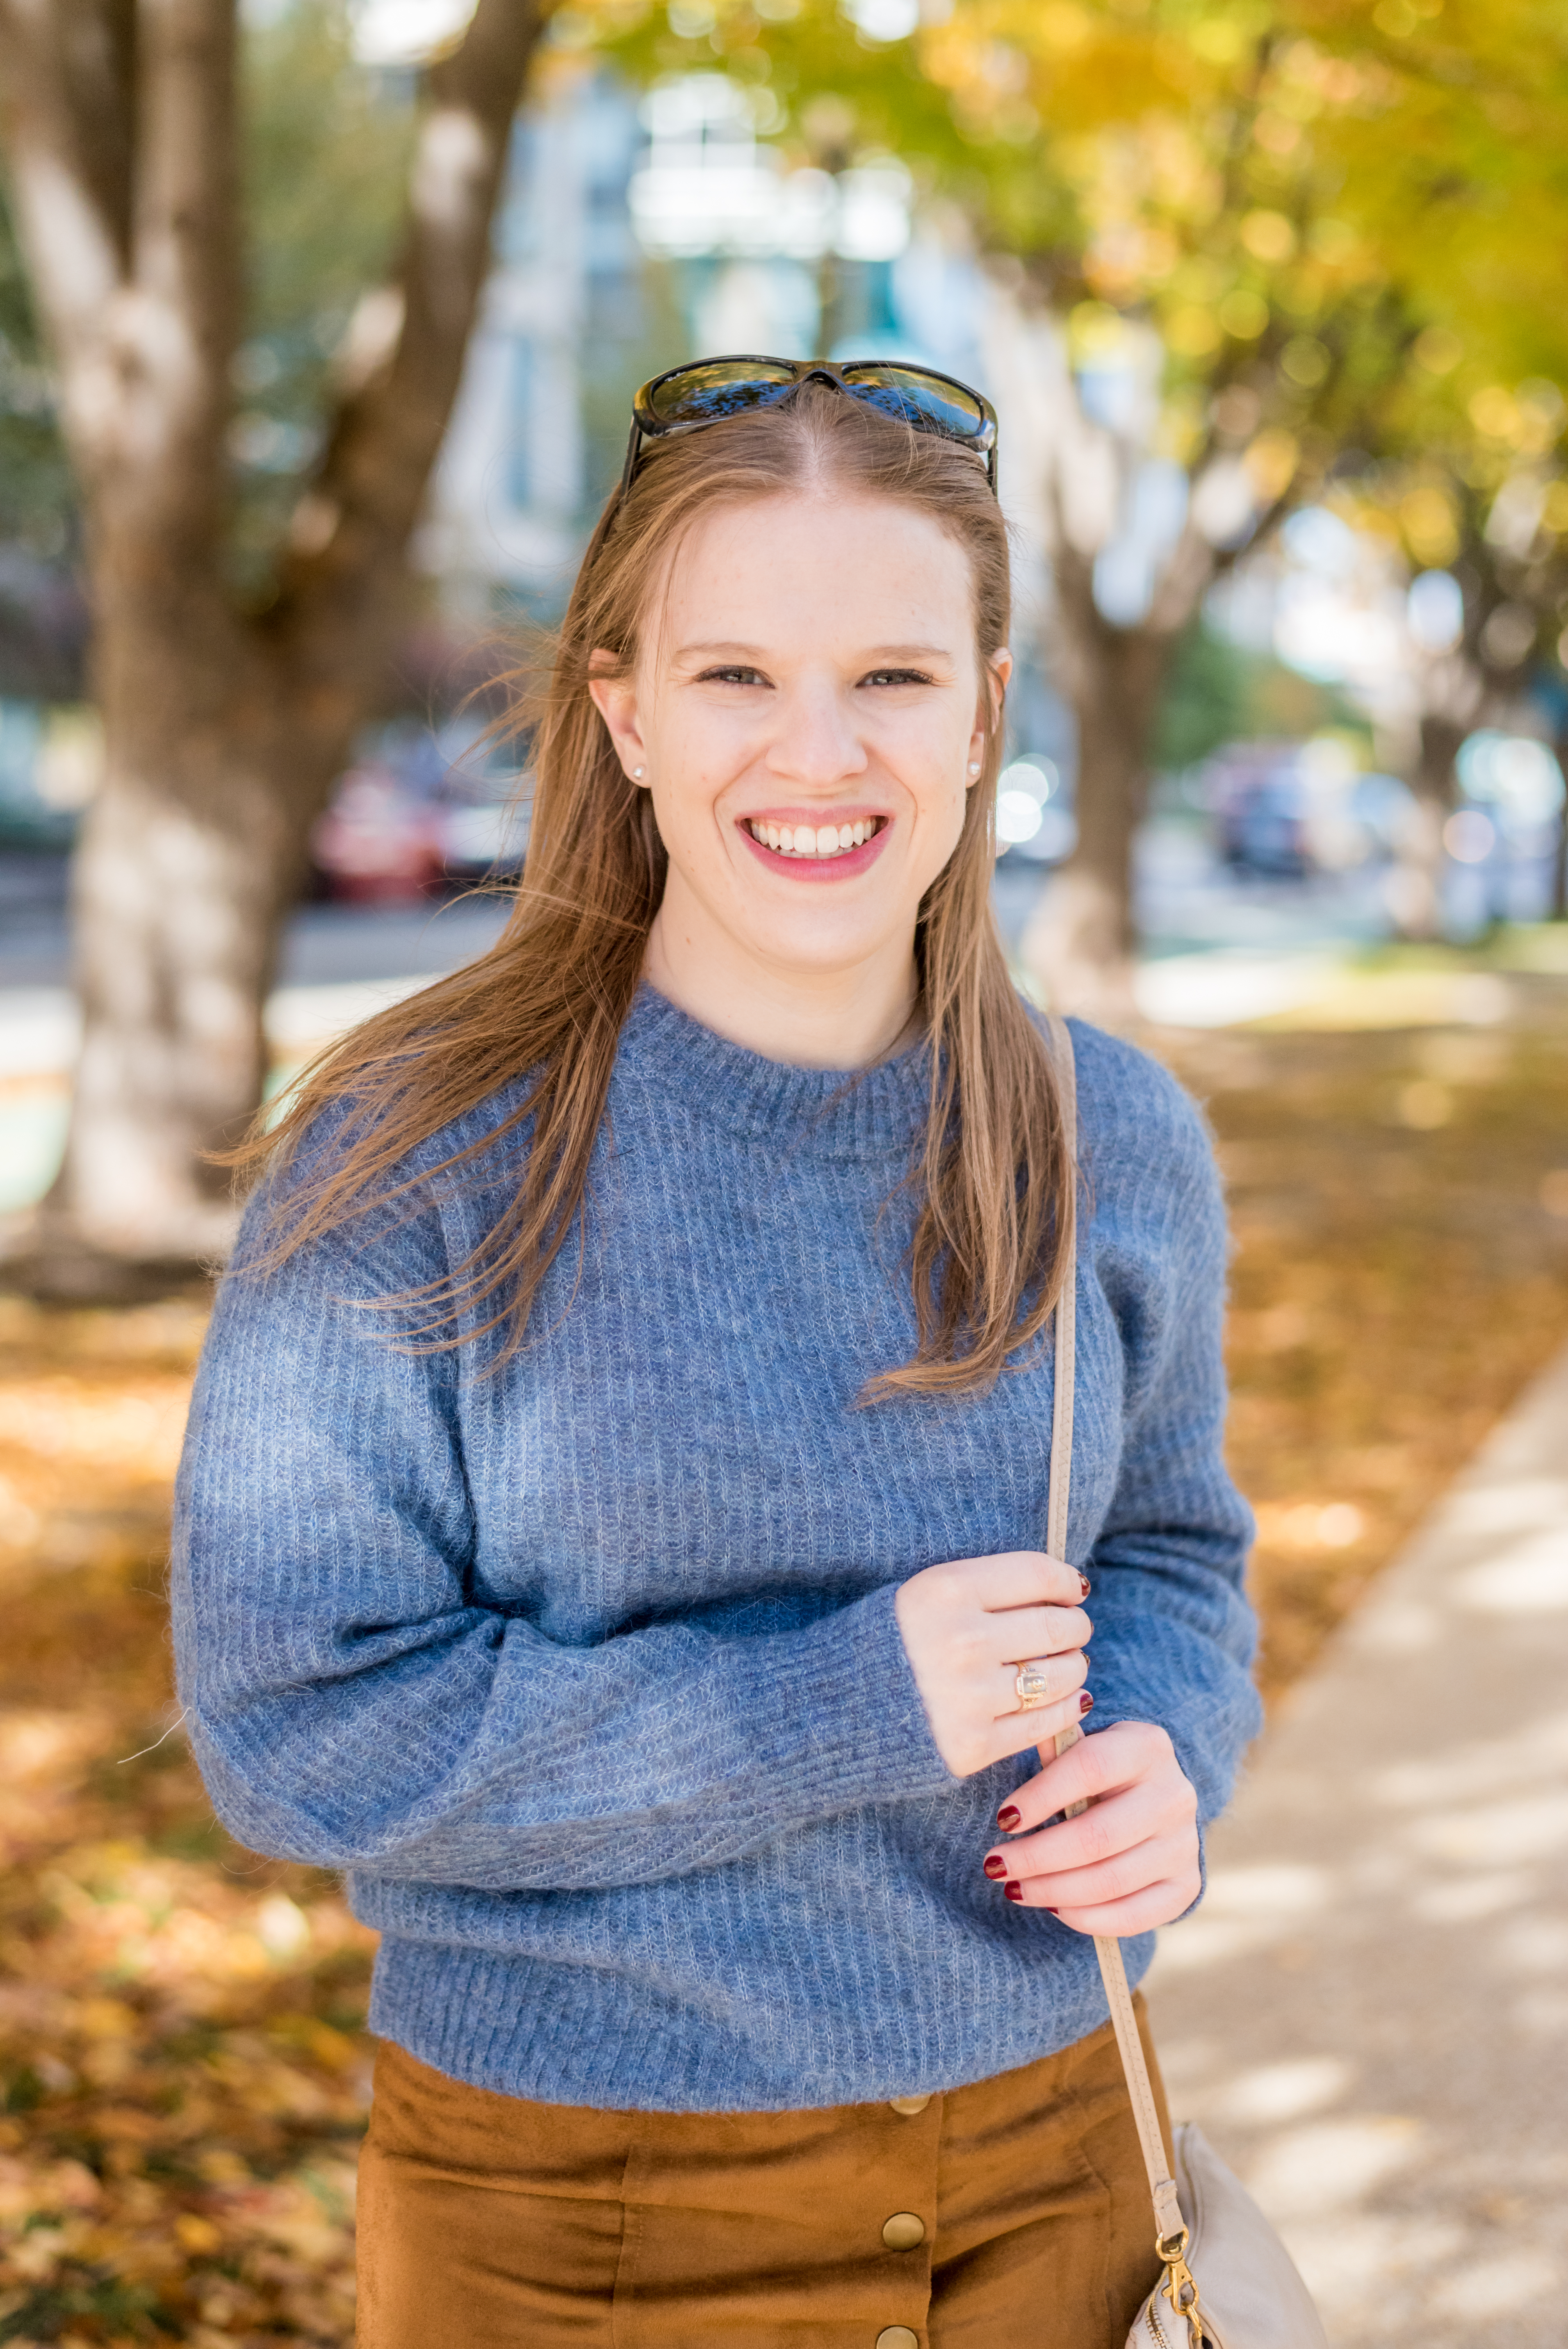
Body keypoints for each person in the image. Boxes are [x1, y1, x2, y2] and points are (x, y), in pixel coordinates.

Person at [173, 358, 1261, 2348]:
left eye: (896, 679)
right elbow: (298, 1726)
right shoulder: (412, 1157)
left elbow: (1172, 1550)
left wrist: (1171, 1751)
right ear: (626, 711)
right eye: (737, 676)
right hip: (579, 2197)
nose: (818, 753)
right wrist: (845, 1704)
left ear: (987, 711)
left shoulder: (1112, 1140)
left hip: (1058, 2155)